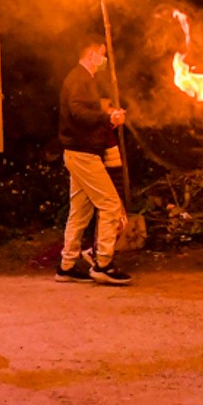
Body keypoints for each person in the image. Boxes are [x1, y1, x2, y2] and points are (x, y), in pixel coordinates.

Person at [53, 40, 132, 286]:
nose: (104, 59)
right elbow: (78, 113)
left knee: (80, 211)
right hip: (82, 154)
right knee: (110, 205)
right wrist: (107, 116)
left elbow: (86, 118)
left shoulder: (83, 78)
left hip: (80, 152)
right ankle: (103, 263)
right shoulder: (79, 79)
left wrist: (109, 120)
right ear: (90, 54)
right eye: (102, 55)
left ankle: (66, 266)